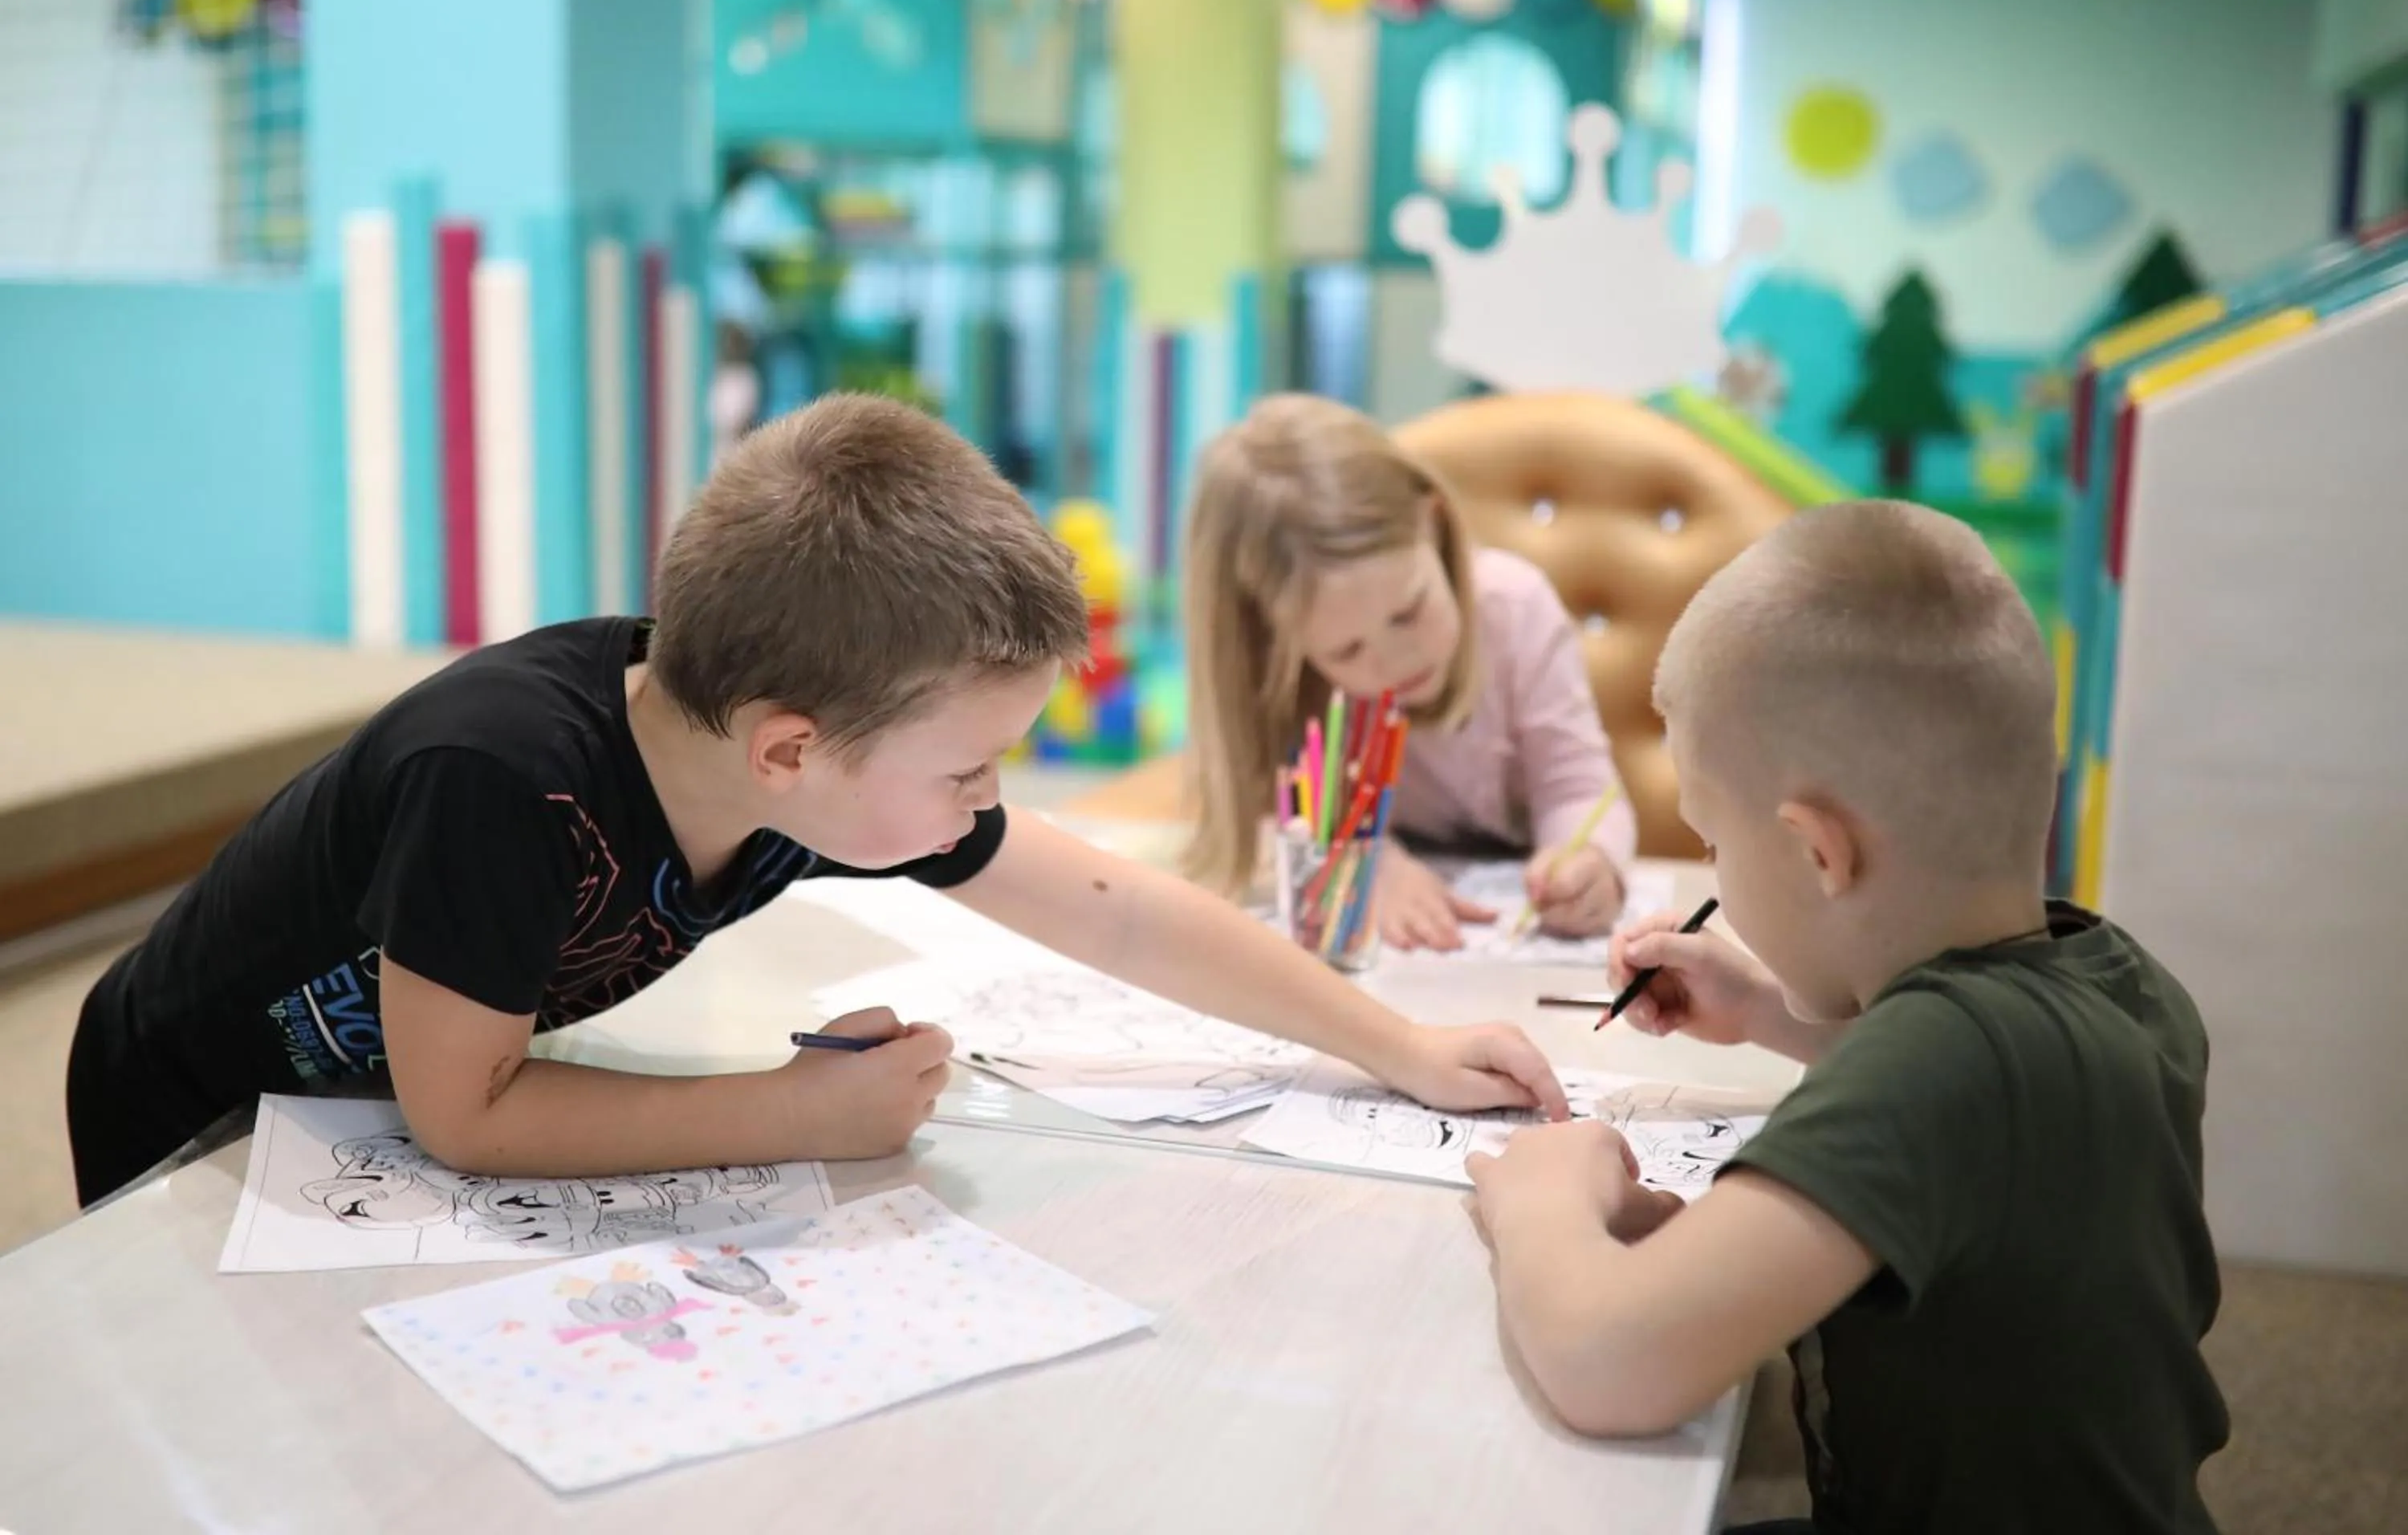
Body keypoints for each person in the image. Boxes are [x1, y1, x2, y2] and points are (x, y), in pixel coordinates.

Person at [66, 395, 1567, 1207]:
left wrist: (1402, 1044)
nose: (988, 803)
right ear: (793, 753)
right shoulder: (502, 780)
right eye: (971, 770)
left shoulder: (801, 751)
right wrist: (795, 1113)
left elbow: (1110, 905)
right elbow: (470, 1114)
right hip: (197, 1125)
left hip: (375, 1127)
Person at [1465, 500, 2227, 1534]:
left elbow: (1606, 1364)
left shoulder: (1936, 1065)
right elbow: (1992, 1133)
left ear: (1820, 851)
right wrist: (1771, 1016)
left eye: (1712, 845)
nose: (1713, 878)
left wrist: (1543, 1200)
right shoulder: (2117, 980)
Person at [1182, 393, 1633, 951]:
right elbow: (1257, 818)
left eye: (1409, 611)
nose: (1395, 662)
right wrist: (1367, 863)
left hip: (1511, 933)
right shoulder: (1276, 671)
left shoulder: (1514, 608)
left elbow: (1581, 788)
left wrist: (1590, 862)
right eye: (1346, 651)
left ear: (1432, 524)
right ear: (1277, 639)